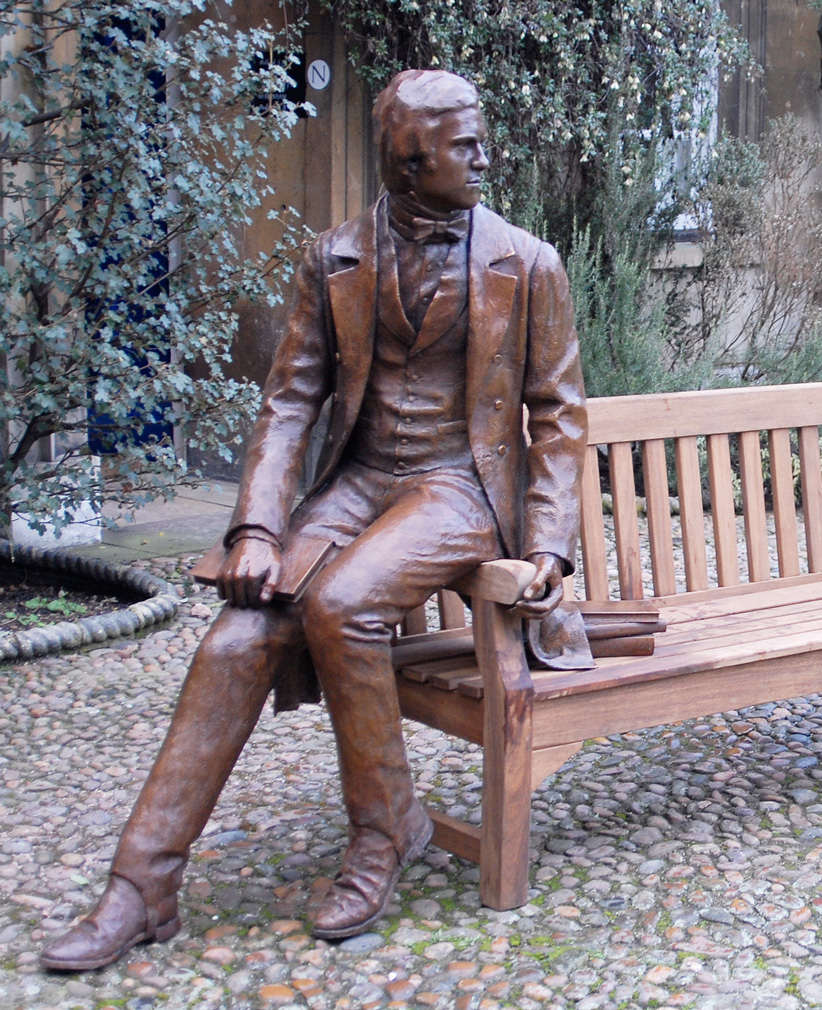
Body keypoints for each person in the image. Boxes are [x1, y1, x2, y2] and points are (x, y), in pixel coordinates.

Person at [41, 69, 586, 971]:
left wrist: (547, 547)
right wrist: (256, 530)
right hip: (360, 481)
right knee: (232, 640)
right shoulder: (334, 257)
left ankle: (383, 833)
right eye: (464, 144)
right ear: (411, 163)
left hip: (459, 488)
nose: (485, 156)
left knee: (340, 603)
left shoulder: (527, 263)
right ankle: (143, 885)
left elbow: (558, 416)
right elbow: (290, 401)